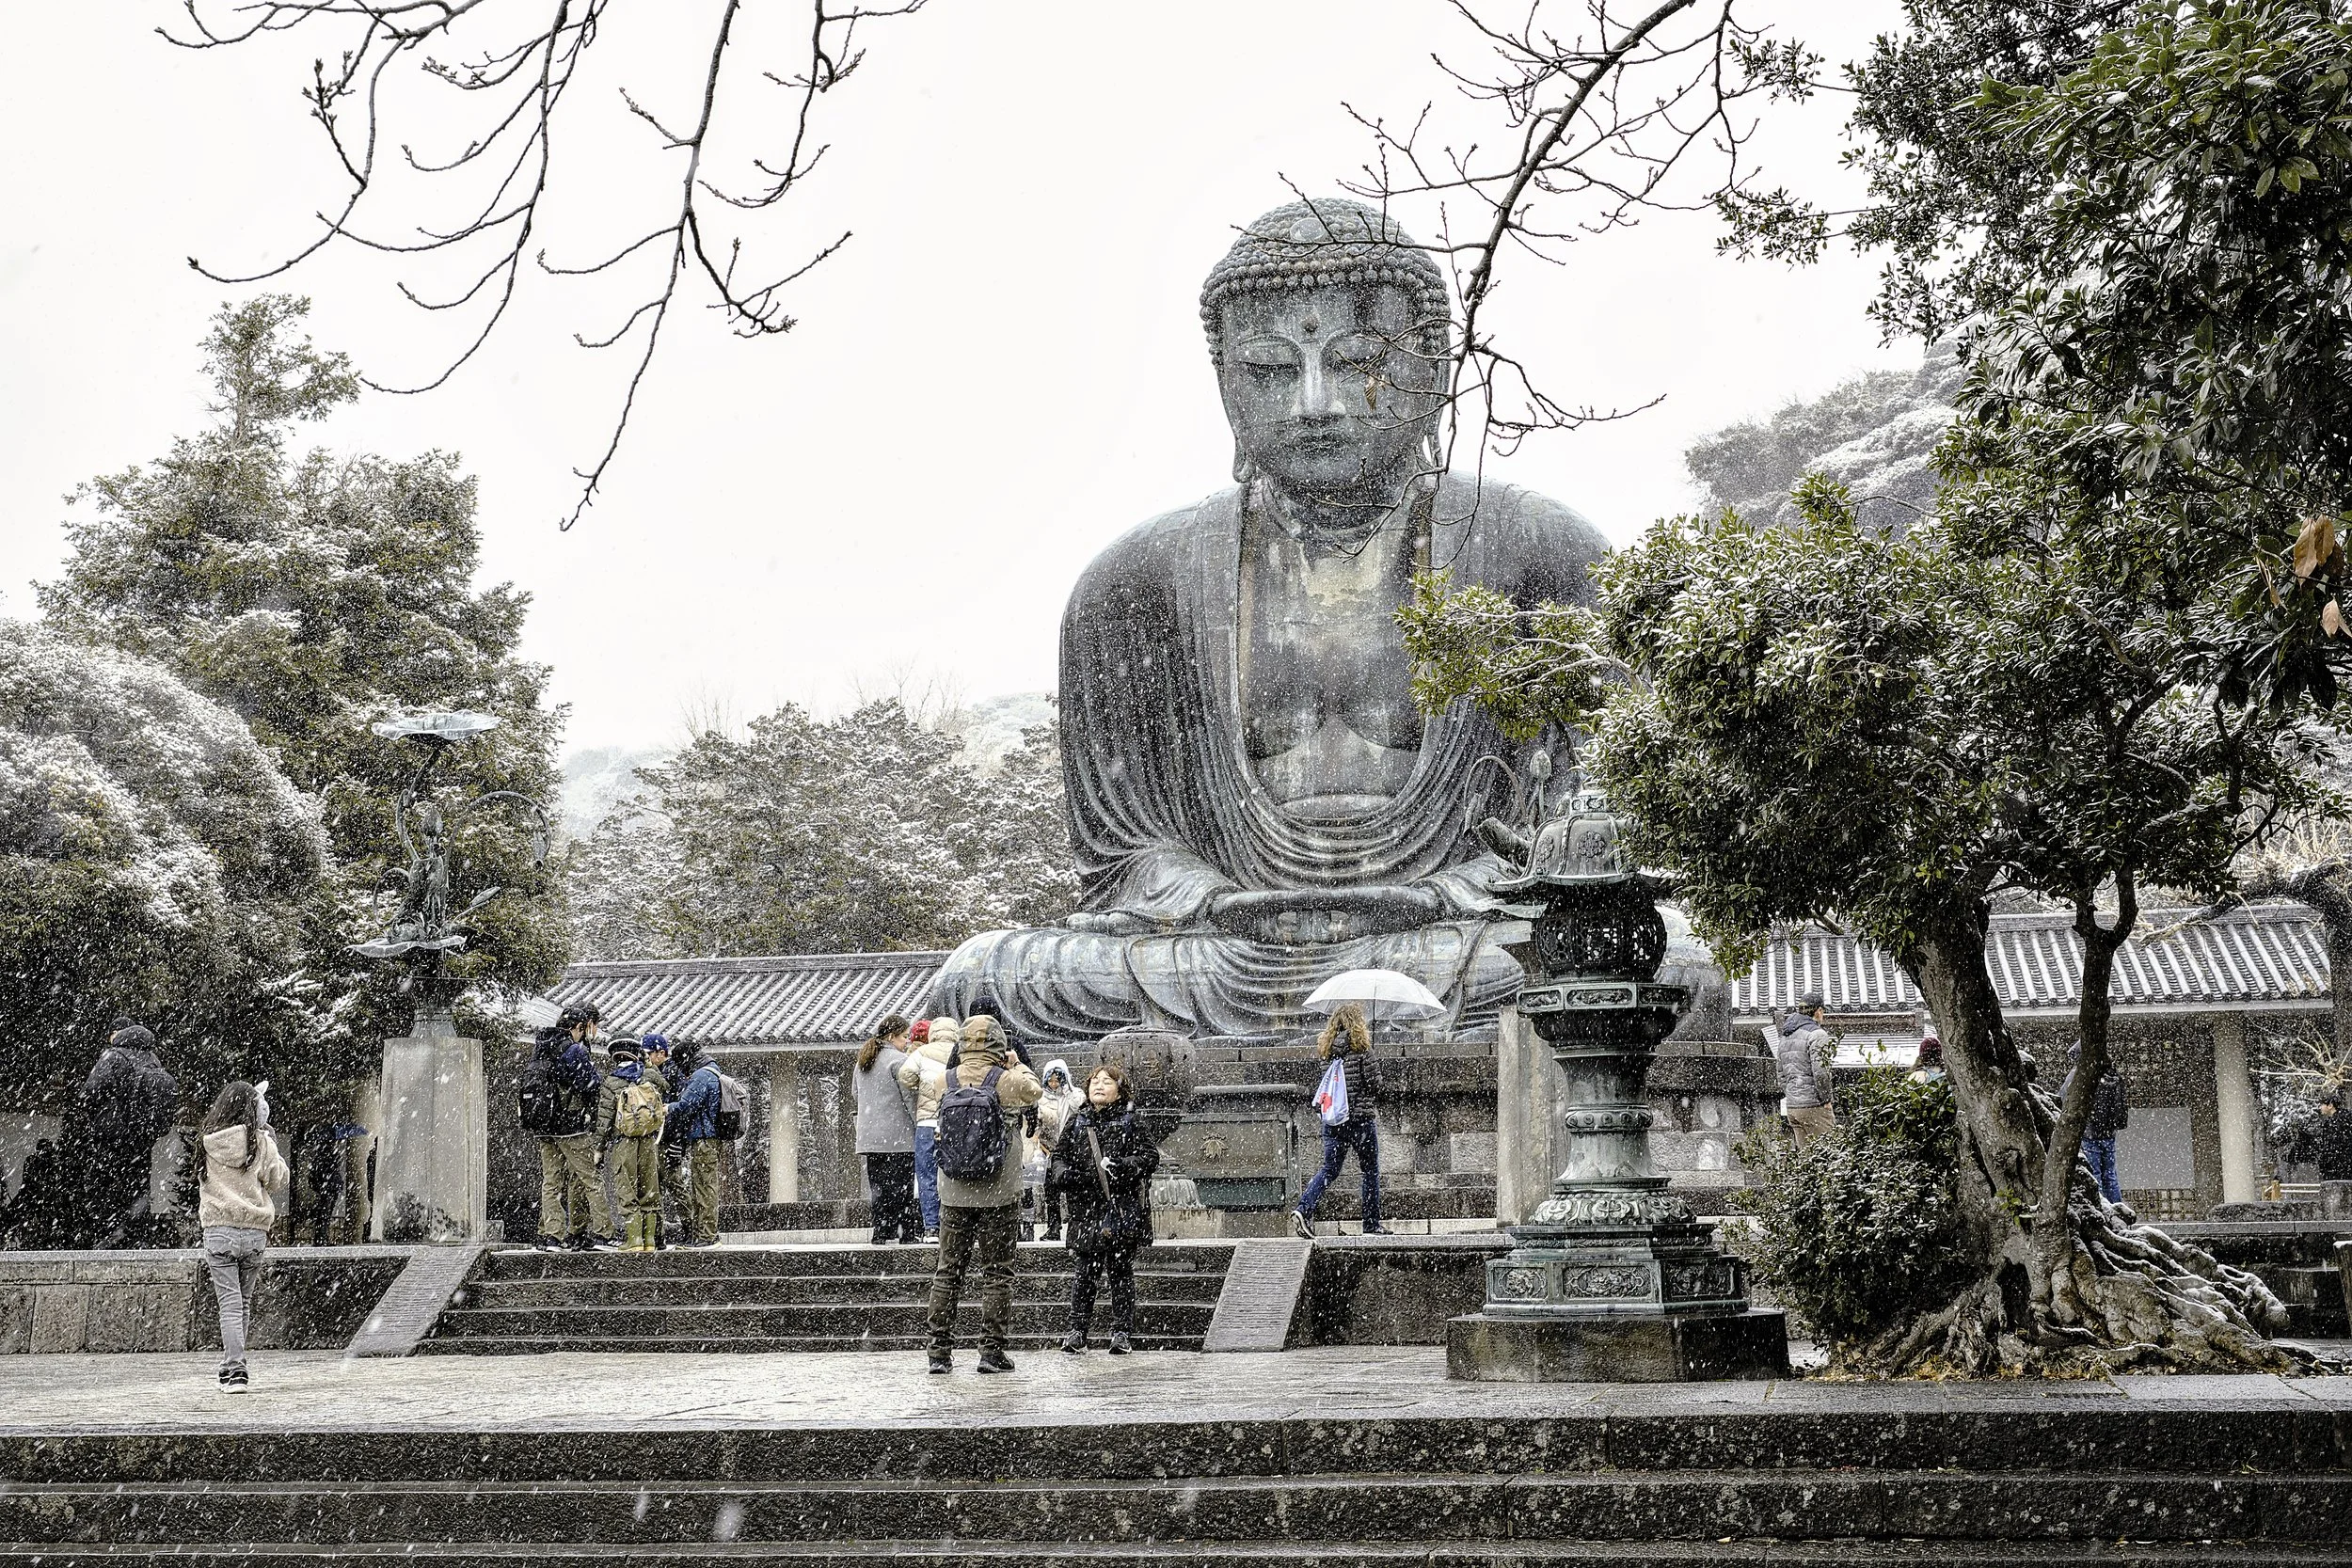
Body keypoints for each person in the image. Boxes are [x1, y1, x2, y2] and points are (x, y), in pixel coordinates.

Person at [925, 1015, 1042, 1374]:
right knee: (997, 1273)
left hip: (953, 1192)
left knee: (947, 1272)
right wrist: (1017, 1063)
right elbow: (1035, 1091)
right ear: (998, 1045)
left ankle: (939, 1354)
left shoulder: (942, 1081)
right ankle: (991, 1352)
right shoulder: (1008, 1081)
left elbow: (915, 1082)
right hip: (999, 1193)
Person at [1053, 1064, 1159, 1354]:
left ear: (1119, 1090)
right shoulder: (1077, 1121)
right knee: (1085, 1273)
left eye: (1107, 1082)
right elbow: (1059, 1157)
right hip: (1086, 1209)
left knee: (1120, 1272)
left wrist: (1123, 1167)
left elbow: (1150, 1158)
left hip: (1120, 1208)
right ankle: (1077, 1331)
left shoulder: (1131, 1121)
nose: (1099, 1086)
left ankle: (1121, 1331)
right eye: (1095, 1082)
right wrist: (1066, 1175)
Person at [196, 1080, 287, 1394]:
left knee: (230, 1305)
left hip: (219, 1231)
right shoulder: (260, 1142)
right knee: (243, 1303)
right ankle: (233, 1368)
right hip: (253, 1232)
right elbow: (275, 1181)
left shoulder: (207, 1141)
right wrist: (274, 1151)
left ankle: (234, 1369)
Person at [1290, 1004, 1386, 1239]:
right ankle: (1371, 1225)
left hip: (1333, 1121)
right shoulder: (1363, 1049)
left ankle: (1304, 1208)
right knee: (1370, 1171)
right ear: (1357, 1023)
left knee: (1329, 1169)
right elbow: (1376, 1086)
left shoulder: (1327, 1051)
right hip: (1360, 1120)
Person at [81, 1019, 179, 1246]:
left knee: (101, 1184)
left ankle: (110, 1234)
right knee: (138, 1186)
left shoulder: (113, 1056)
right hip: (142, 1139)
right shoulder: (153, 1059)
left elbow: (89, 1094)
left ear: (117, 1033)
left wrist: (104, 1115)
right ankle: (137, 1236)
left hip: (113, 1136)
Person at [526, 1006, 613, 1251]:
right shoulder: (572, 1049)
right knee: (590, 1179)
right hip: (570, 1126)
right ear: (578, 1027)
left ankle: (551, 1236)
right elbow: (591, 1085)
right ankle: (603, 1233)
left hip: (544, 1126)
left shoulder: (540, 1047)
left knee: (551, 1182)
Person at [853, 1014, 922, 1244]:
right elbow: (910, 1098)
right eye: (904, 1037)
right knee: (902, 1188)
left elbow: (856, 1094)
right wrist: (918, 1124)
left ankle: (881, 1231)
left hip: (870, 1137)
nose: (907, 1042)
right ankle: (905, 1232)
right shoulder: (899, 1061)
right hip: (898, 1136)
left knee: (879, 1188)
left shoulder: (864, 1060)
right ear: (892, 1037)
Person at [598, 1036, 669, 1252]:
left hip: (623, 1141)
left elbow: (605, 1118)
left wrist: (599, 1147)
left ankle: (633, 1239)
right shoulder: (649, 1076)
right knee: (649, 1189)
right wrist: (647, 1065)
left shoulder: (611, 1082)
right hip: (648, 1140)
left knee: (626, 1188)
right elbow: (665, 1087)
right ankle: (650, 1240)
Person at [898, 1016, 959, 1241]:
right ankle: (953, 1223)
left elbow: (904, 1075)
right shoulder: (959, 1052)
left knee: (926, 1175)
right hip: (953, 1122)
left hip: (926, 1123)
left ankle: (931, 1226)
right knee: (954, 1173)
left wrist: (921, 1084)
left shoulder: (921, 1053)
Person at [666, 1041, 725, 1248]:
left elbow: (686, 1105)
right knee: (704, 1185)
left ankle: (707, 1236)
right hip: (710, 1138)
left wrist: (667, 1108)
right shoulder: (714, 1072)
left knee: (704, 1187)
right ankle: (704, 1235)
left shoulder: (701, 1076)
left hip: (703, 1139)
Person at [2063, 1043, 2130, 1204]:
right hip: (2109, 1133)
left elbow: (2063, 1099)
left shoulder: (2080, 1076)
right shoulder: (2113, 1076)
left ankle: (2101, 1210)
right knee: (2111, 1175)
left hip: (2088, 1132)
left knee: (2095, 1176)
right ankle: (2117, 1209)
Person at [1772, 991, 1836, 1147]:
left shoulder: (1786, 1036)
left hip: (1793, 1108)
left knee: (1806, 1160)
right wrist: (1827, 1100)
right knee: (1829, 1155)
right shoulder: (1817, 1034)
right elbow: (1820, 1072)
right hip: (1813, 1105)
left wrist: (1793, 1095)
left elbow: (1780, 1074)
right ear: (1818, 1011)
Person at [1032, 1060, 1085, 1243]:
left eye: (1058, 1080)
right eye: (1051, 1080)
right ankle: (1053, 1227)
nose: (1054, 1084)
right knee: (1051, 1192)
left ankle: (1075, 1226)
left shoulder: (1074, 1094)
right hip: (1049, 1149)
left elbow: (1081, 1107)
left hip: (1071, 1150)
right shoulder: (1041, 1097)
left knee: (1072, 1190)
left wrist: (1067, 1089)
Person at [2312, 1089, 2352, 1181]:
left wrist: (2325, 1161)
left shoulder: (2335, 1123)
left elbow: (2333, 1146)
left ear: (2330, 1106)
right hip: (2343, 1166)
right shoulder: (2344, 1119)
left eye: (2322, 1105)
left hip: (2339, 1168)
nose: (2320, 1107)